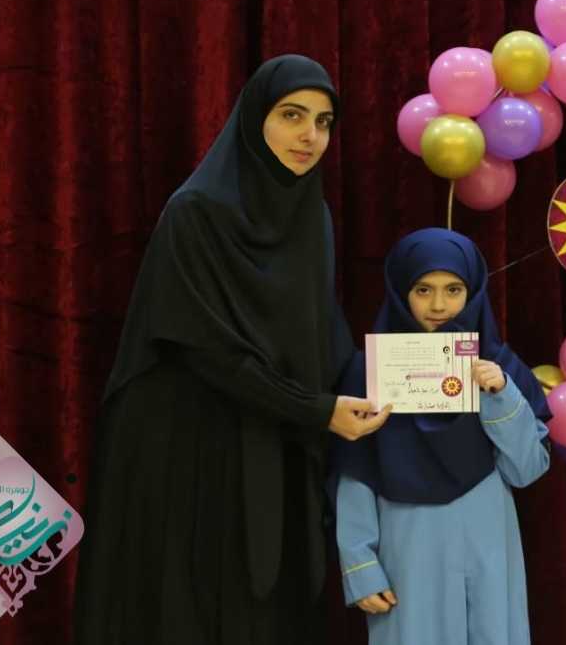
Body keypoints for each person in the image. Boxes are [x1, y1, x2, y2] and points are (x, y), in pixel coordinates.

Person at [74, 54, 389, 643]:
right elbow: (206, 351)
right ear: (253, 119)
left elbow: (324, 336)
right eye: (292, 115)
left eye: (323, 122)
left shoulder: (311, 216)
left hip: (276, 432)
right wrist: (318, 410)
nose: (310, 135)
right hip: (190, 446)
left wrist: (410, 378)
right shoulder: (195, 214)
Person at [330, 227, 551, 645]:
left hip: (488, 538)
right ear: (401, 292)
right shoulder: (370, 370)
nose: (438, 305)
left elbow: (526, 470)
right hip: (408, 545)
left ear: (474, 291)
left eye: (453, 290)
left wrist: (500, 394)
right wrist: (360, 564)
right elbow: (355, 471)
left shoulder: (499, 365)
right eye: (423, 290)